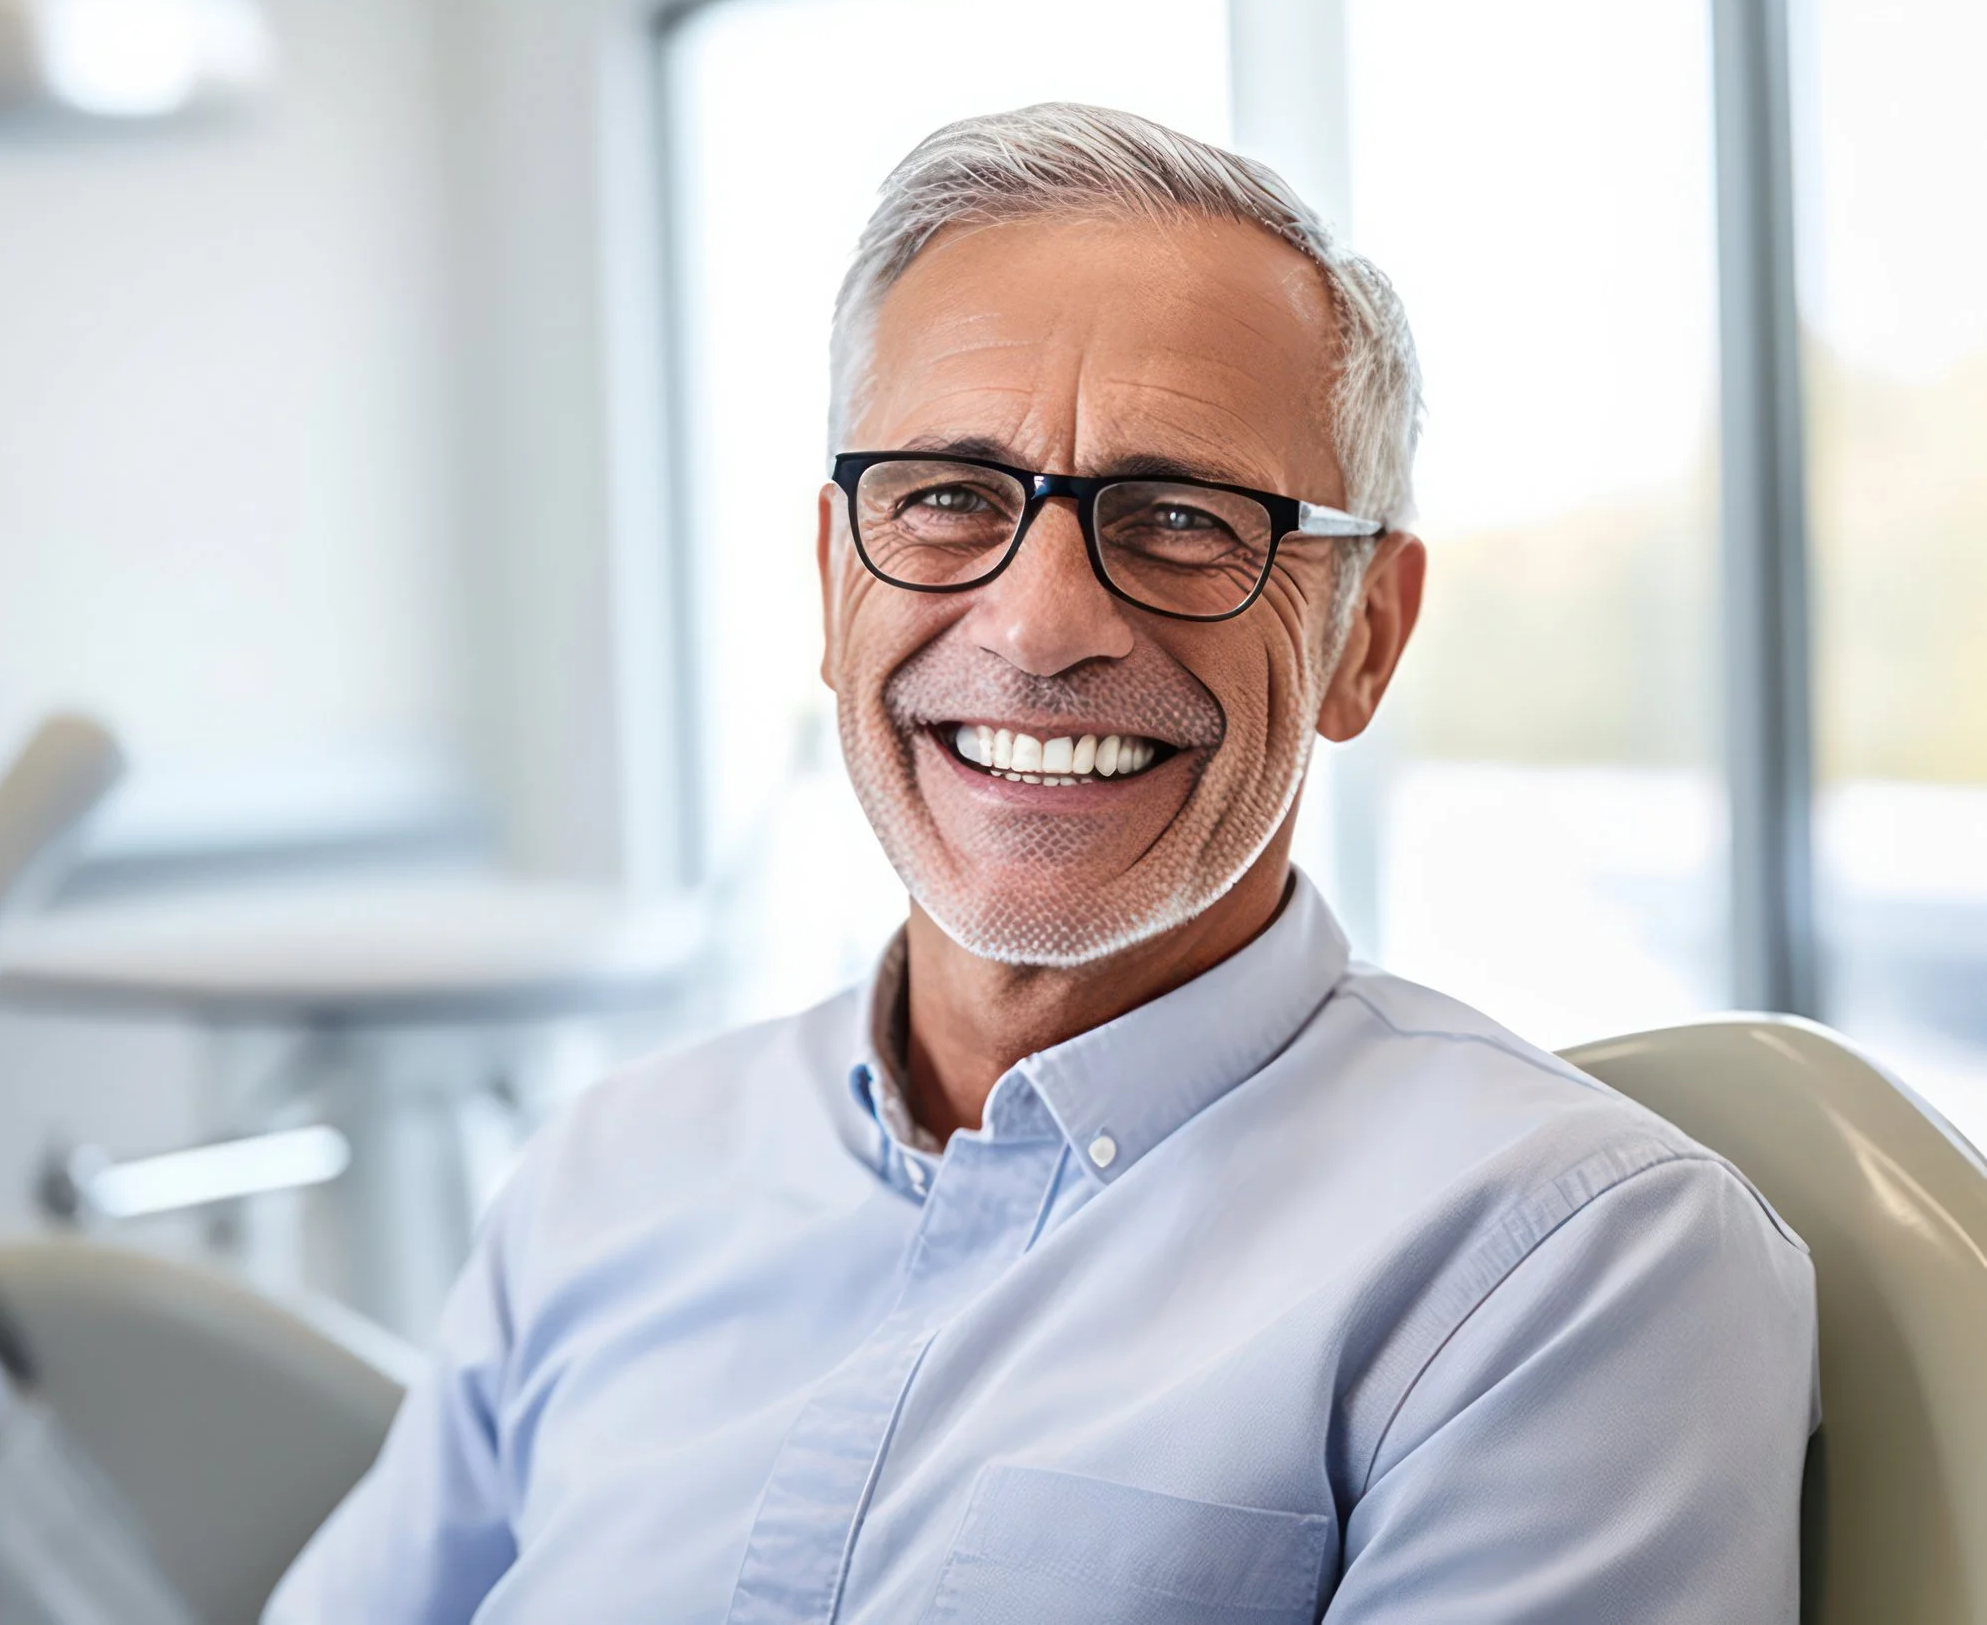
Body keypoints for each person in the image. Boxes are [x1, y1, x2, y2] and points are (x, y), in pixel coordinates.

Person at [267, 103, 1817, 1623]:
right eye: (948, 499)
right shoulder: (605, 1179)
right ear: (829, 582)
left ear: (1368, 637)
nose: (1040, 623)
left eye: (1182, 518)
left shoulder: (1569, 1266)